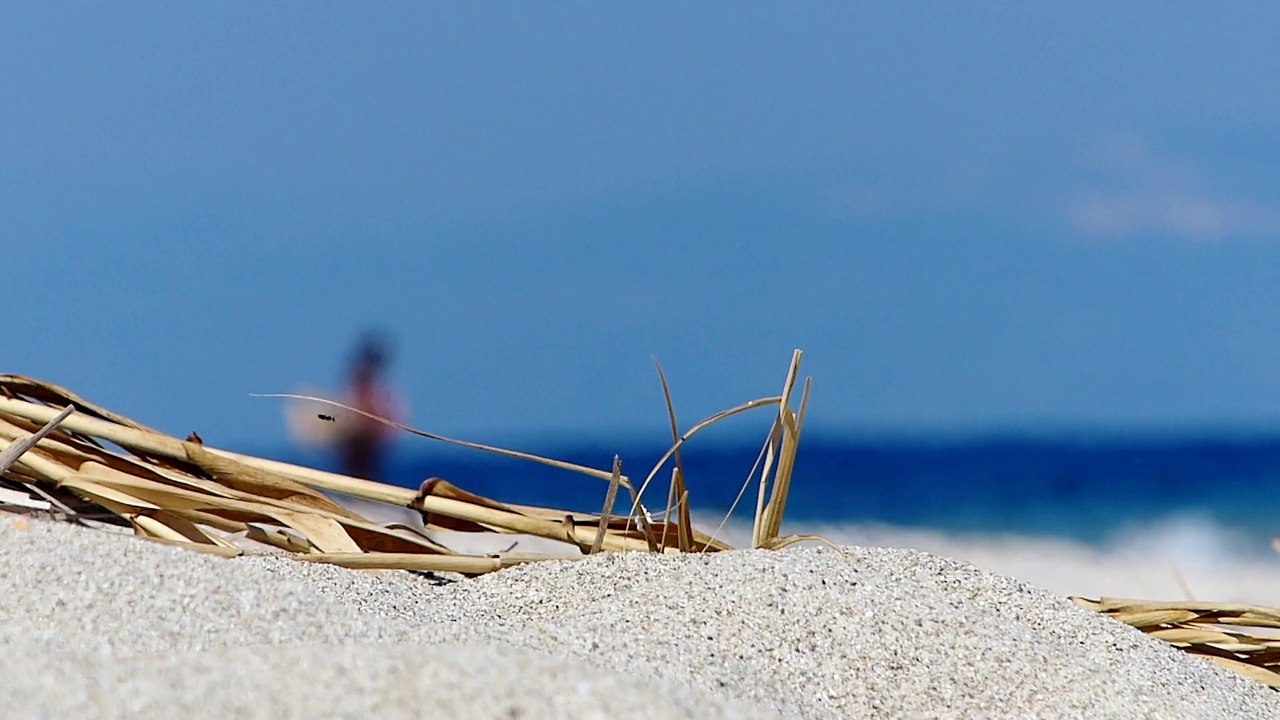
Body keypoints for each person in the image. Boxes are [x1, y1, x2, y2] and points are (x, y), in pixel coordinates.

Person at [335, 333, 403, 481]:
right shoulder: (360, 384)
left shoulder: (370, 388)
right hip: (357, 442)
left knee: (365, 475)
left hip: (368, 443)